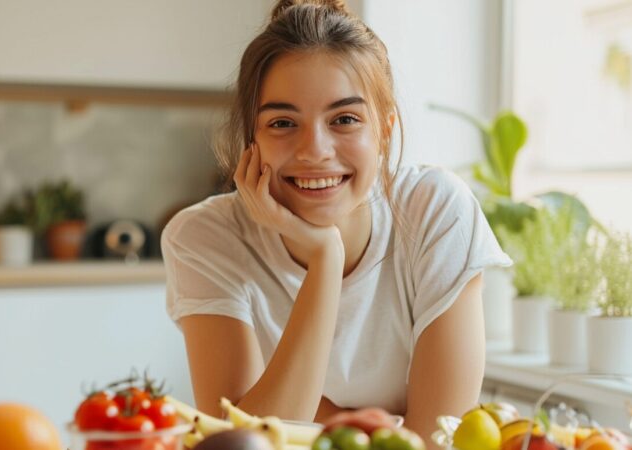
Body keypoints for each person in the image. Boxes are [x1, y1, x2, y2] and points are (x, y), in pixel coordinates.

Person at [161, 0, 511, 445]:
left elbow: (437, 439)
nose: (315, 150)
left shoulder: (435, 210)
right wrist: (325, 258)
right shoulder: (205, 238)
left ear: (384, 130)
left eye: (344, 119)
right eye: (283, 122)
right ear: (252, 138)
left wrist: (329, 418)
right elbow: (244, 444)